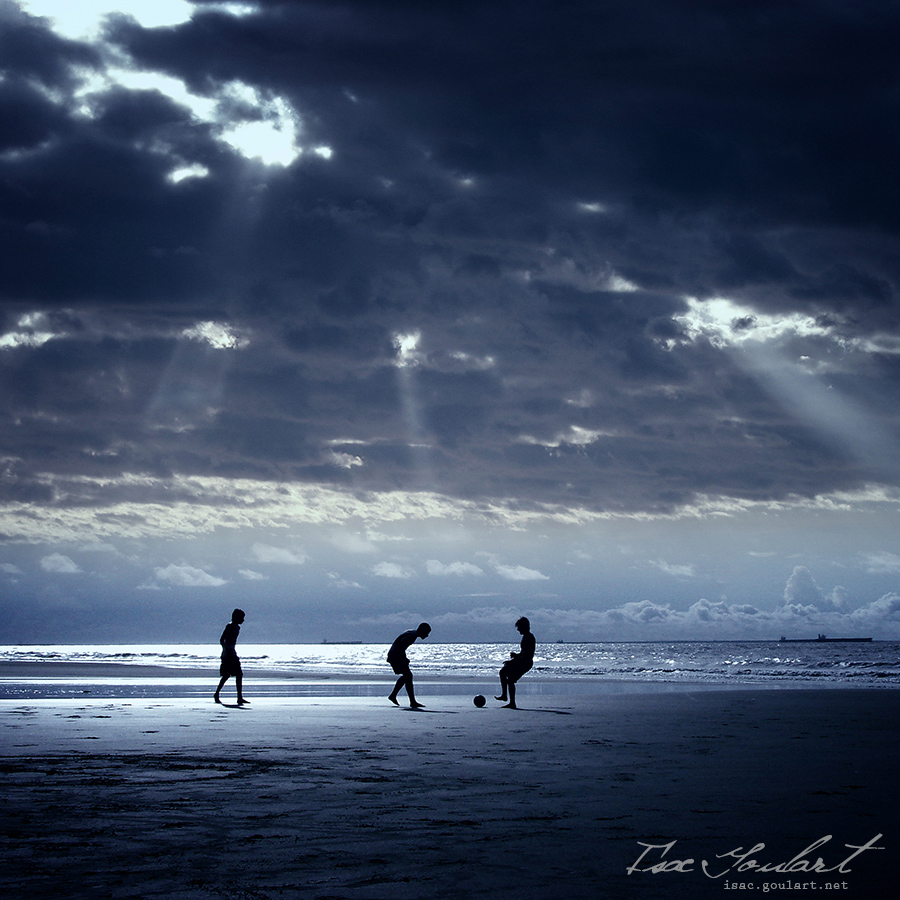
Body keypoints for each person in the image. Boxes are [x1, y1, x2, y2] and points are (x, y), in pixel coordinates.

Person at [387, 622, 431, 708]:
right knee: (408, 676)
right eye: (427, 633)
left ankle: (398, 697)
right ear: (422, 631)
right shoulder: (412, 636)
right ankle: (408, 700)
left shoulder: (411, 633)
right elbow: (400, 647)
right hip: (395, 656)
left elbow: (400, 645)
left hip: (393, 655)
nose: (427, 636)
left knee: (407, 676)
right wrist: (404, 658)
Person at [496, 616, 535, 709]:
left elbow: (527, 655)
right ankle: (504, 695)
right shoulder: (526, 637)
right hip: (522, 661)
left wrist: (515, 657)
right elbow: (523, 653)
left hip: (526, 663)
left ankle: (512, 702)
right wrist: (513, 660)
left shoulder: (529, 637)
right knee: (503, 672)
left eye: (519, 627)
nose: (517, 630)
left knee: (510, 679)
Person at [214, 608, 249, 705]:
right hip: (228, 654)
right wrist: (225, 650)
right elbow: (222, 639)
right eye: (242, 618)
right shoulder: (230, 626)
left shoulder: (237, 627)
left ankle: (239, 697)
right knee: (227, 675)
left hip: (232, 653)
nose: (243, 620)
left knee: (237, 674)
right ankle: (217, 694)